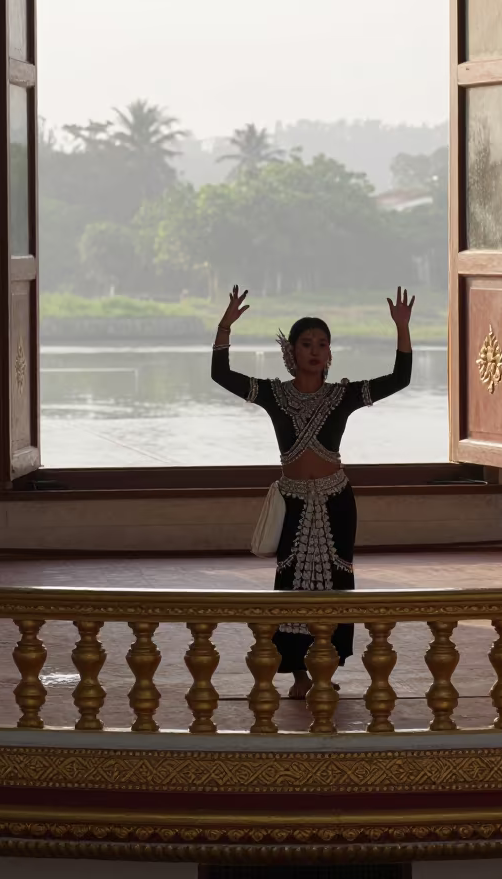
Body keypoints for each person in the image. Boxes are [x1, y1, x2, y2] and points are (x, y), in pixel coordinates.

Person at [211, 284, 414, 700]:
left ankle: (325, 665)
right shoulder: (273, 393)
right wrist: (224, 327)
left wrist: (402, 329)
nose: (315, 350)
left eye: (322, 343)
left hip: (337, 500)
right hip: (293, 500)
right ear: (292, 352)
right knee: (290, 581)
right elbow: (221, 375)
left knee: (336, 581)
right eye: (306, 343)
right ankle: (300, 676)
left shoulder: (342, 395)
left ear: (330, 352)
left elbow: (400, 378)